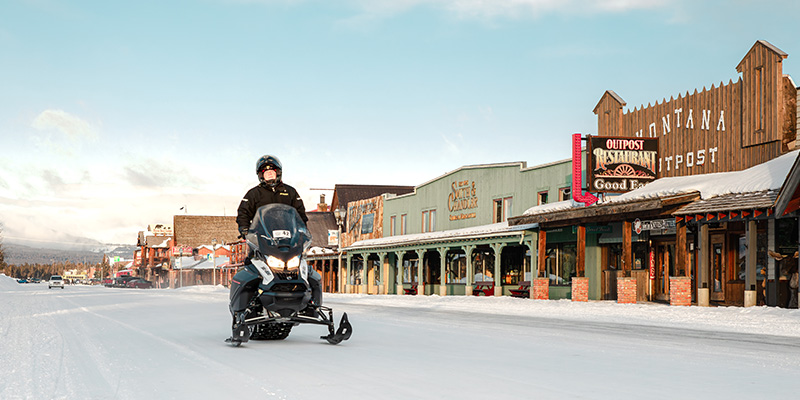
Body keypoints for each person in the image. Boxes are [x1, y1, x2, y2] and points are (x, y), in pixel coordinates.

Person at [232, 155, 323, 326]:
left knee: (307, 272)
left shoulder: (290, 192)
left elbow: (300, 214)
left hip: (289, 241)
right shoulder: (254, 194)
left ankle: (313, 306)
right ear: (260, 175)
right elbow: (243, 213)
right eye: (265, 173)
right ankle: (243, 309)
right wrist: (245, 230)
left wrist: (302, 230)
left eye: (272, 172)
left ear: (278, 173)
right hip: (262, 239)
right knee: (252, 267)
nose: (269, 175)